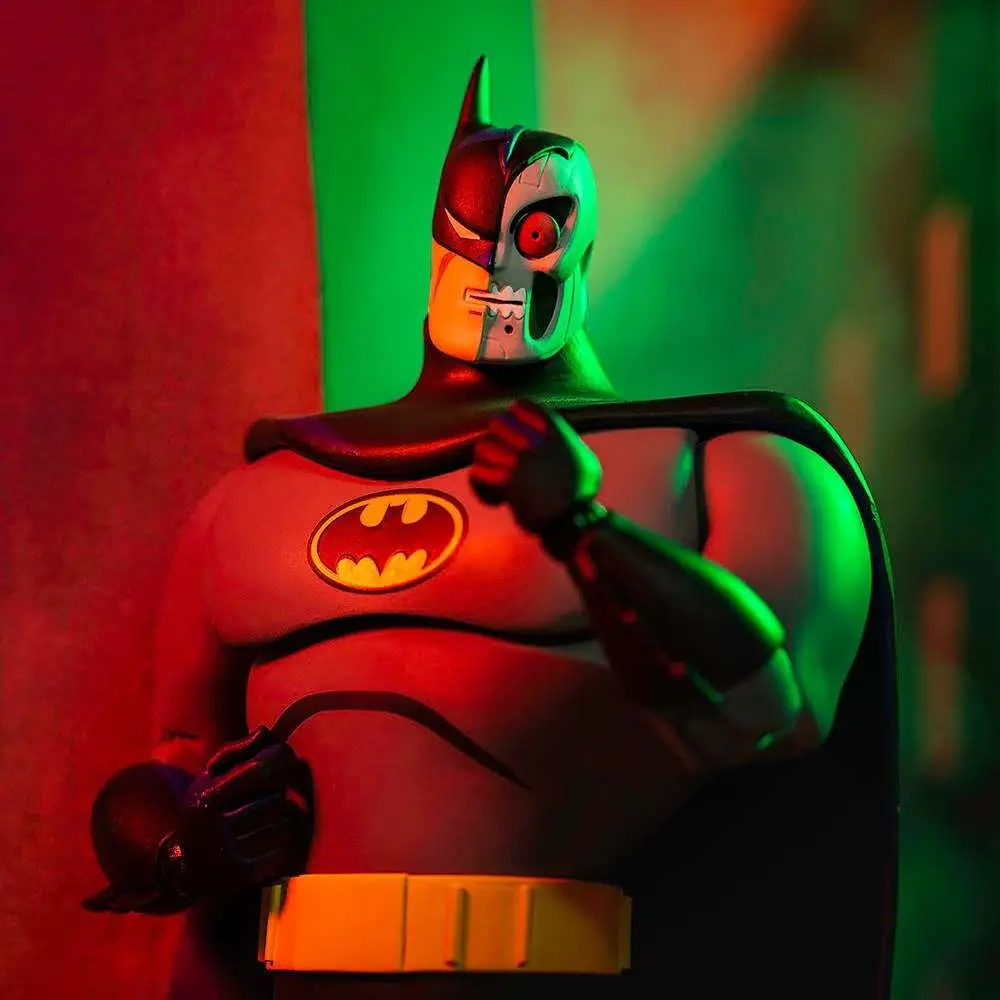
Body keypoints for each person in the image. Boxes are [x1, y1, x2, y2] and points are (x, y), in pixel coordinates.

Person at [84, 57, 898, 1000]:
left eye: (535, 235)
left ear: (574, 246)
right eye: (481, 237)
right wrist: (185, 845)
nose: (500, 266)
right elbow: (176, 761)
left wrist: (588, 532)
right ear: (442, 244)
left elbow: (760, 716)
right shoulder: (258, 495)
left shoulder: (725, 469)